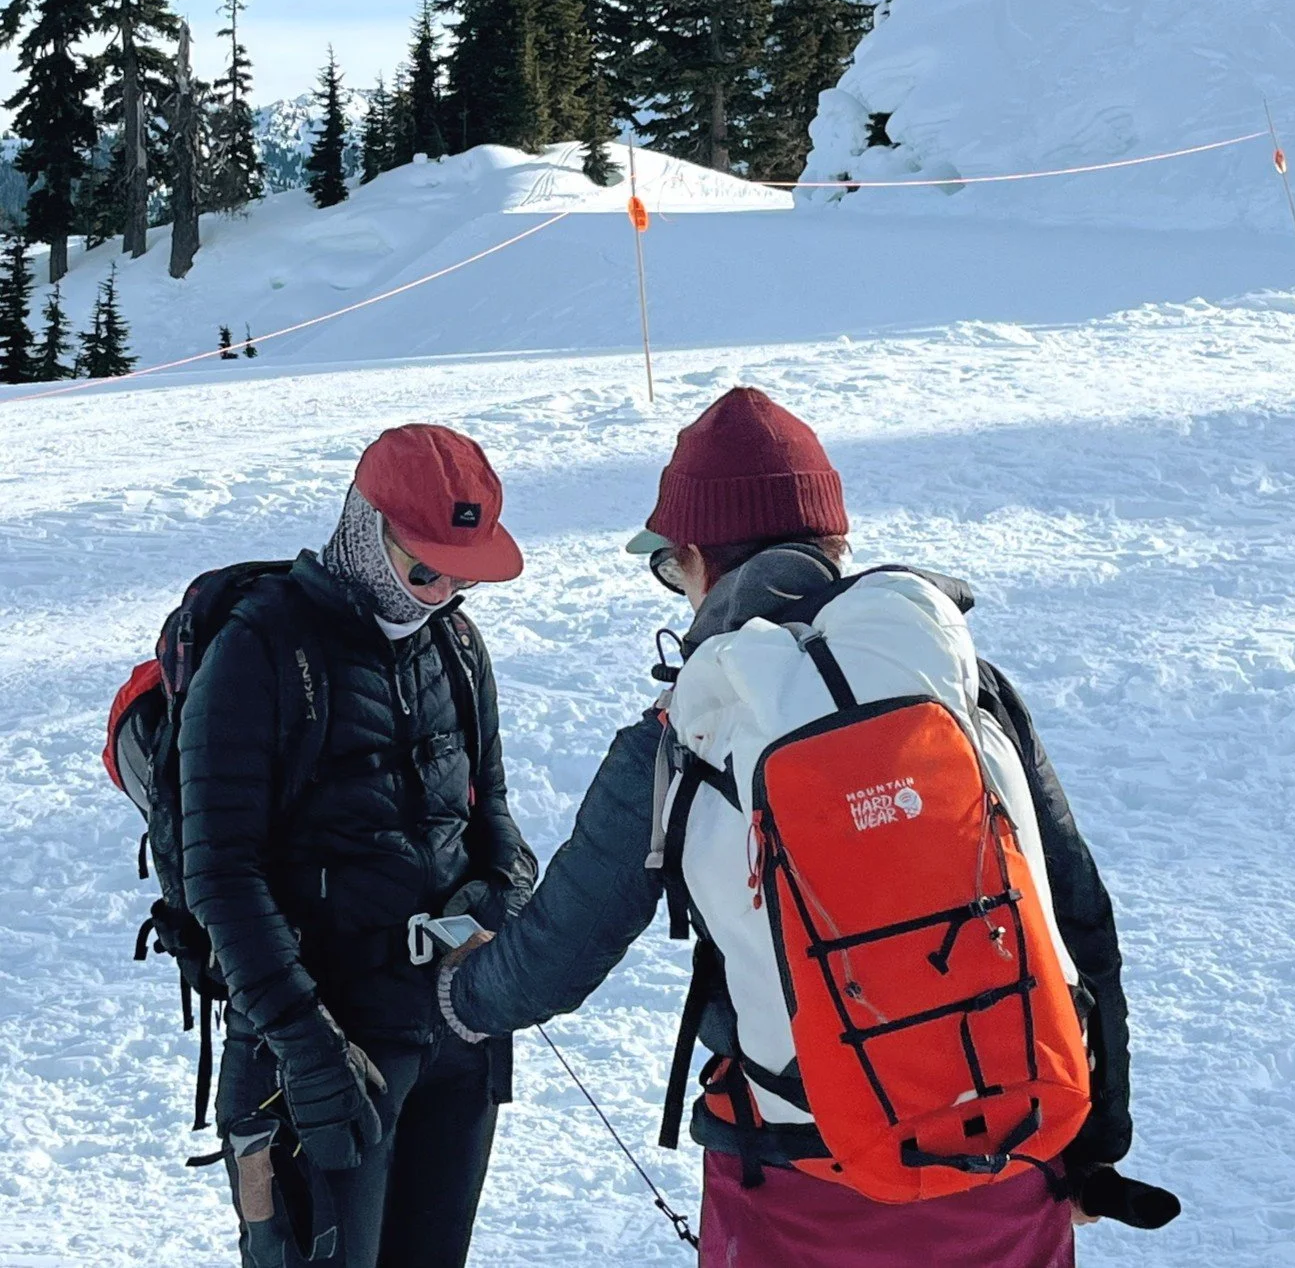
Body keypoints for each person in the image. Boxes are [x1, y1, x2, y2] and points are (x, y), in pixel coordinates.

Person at [440, 388, 1136, 1267]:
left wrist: (455, 996)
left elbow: (555, 957)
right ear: (835, 547)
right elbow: (1078, 914)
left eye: (669, 568)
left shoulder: (681, 733)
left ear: (693, 561)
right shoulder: (963, 686)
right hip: (1010, 1143)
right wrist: (1095, 1139)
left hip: (798, 1177)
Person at [179, 423, 537, 1268]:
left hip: (453, 1035)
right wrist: (307, 1048)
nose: (440, 592)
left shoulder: (454, 643)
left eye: (463, 576)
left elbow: (495, 824)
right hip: (321, 1046)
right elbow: (220, 874)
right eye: (423, 568)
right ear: (360, 525)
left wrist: (498, 916)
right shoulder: (260, 649)